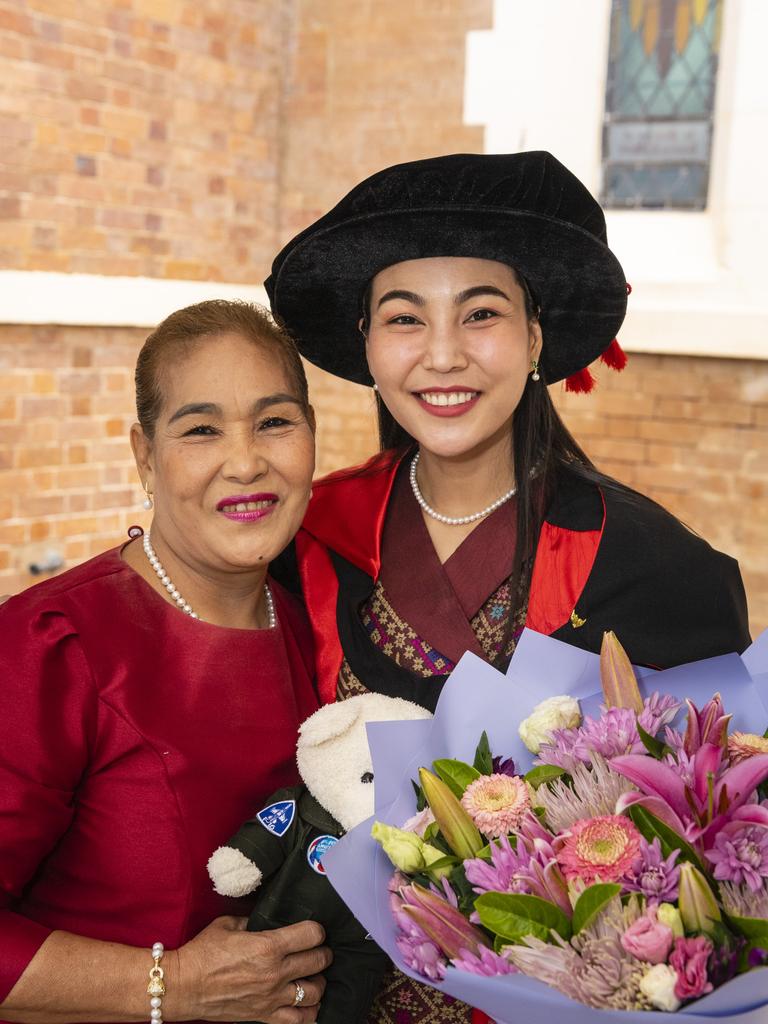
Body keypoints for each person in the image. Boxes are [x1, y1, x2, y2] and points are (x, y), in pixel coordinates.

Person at [265, 152, 751, 1024]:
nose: (442, 355)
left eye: (481, 313)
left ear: (536, 337)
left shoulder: (656, 571)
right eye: (404, 318)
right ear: (368, 341)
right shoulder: (308, 537)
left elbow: (719, 849)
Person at [0, 300, 332, 1024]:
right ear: (145, 456)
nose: (246, 462)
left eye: (275, 422)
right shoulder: (51, 645)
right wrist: (172, 986)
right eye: (201, 429)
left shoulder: (319, 625)